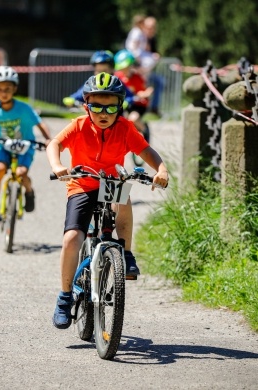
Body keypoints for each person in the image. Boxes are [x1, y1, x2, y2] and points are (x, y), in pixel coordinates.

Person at [47, 72, 168, 329]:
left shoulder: (125, 128)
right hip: (82, 184)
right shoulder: (79, 126)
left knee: (123, 197)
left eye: (111, 106)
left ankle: (125, 252)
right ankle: (64, 296)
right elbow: (54, 143)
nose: (104, 112)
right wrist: (58, 165)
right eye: (97, 106)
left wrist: (161, 169)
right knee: (71, 239)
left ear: (120, 106)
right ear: (86, 106)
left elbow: (146, 151)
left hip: (111, 182)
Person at [0, 66, 52, 224]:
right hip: (2, 146)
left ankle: (28, 192)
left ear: (15, 88)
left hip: (25, 146)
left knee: (22, 173)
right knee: (0, 170)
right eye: (0, 89)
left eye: (8, 88)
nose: (4, 92)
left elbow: (40, 124)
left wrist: (48, 139)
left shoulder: (24, 108)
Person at [62, 50, 134, 110]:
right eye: (99, 71)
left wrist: (127, 102)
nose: (102, 74)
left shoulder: (117, 83)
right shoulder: (91, 83)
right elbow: (80, 94)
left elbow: (129, 96)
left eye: (105, 70)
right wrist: (72, 99)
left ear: (112, 69)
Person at [114, 49, 153, 137]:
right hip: (122, 104)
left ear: (131, 66)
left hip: (138, 105)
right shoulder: (117, 77)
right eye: (122, 68)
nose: (125, 70)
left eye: (127, 67)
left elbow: (144, 92)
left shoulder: (137, 78)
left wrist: (144, 94)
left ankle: (145, 131)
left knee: (133, 119)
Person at [143, 16, 164, 116]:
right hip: (138, 71)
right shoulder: (139, 37)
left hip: (148, 71)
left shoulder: (152, 39)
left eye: (153, 27)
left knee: (159, 81)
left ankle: (153, 107)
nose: (151, 30)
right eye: (149, 27)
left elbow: (154, 52)